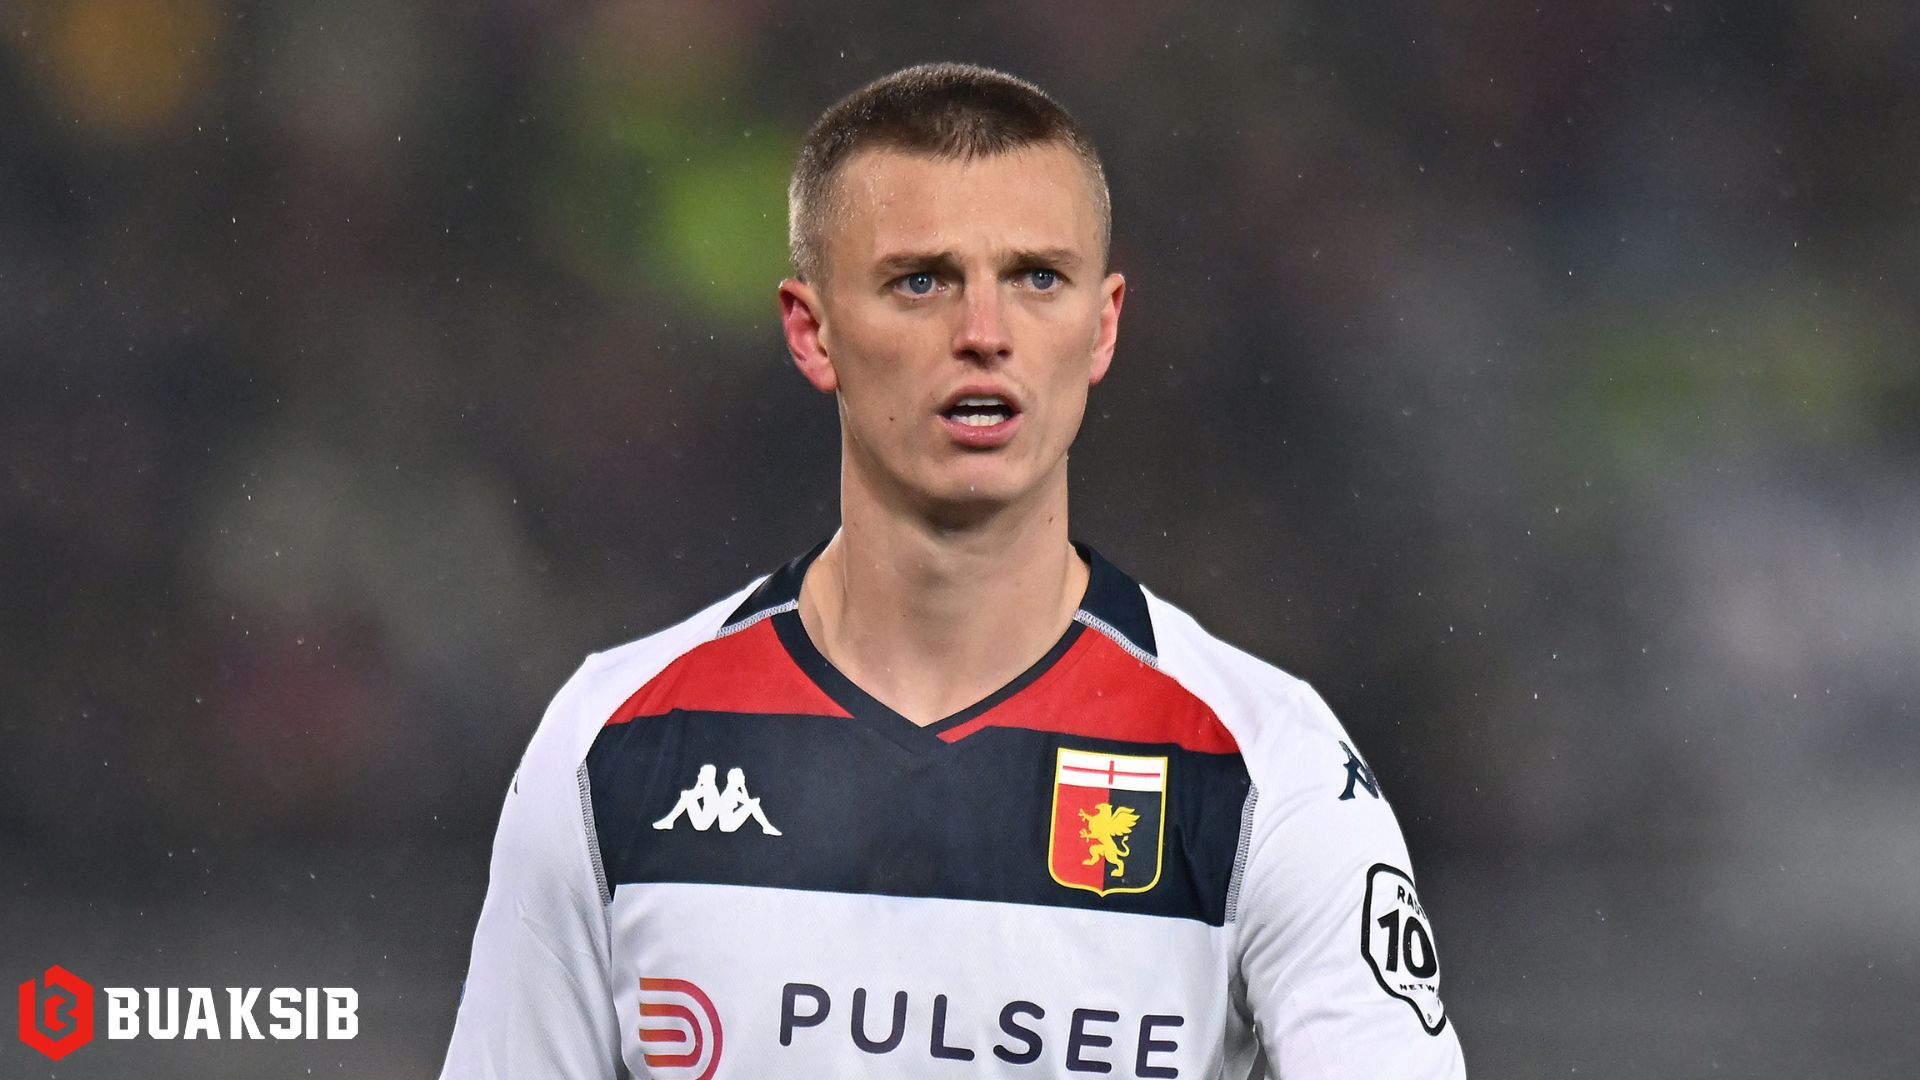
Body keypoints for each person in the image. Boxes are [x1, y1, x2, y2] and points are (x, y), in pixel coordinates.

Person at [439, 62, 1466, 1079]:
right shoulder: (614, 742)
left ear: (1103, 326)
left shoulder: (1265, 765)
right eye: (921, 281)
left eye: (1037, 278)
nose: (984, 336)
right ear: (812, 332)